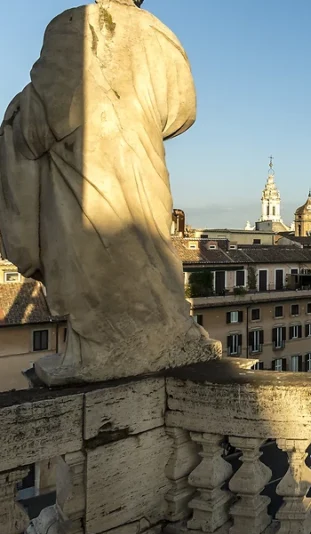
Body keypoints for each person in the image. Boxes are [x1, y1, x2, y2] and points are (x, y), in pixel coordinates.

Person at [0, 0, 219, 385]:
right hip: (144, 162)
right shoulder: (163, 37)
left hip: (87, 166)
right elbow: (184, 109)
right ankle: (155, 335)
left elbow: (41, 119)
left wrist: (16, 116)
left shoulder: (75, 24)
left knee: (92, 248)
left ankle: (100, 348)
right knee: (148, 248)